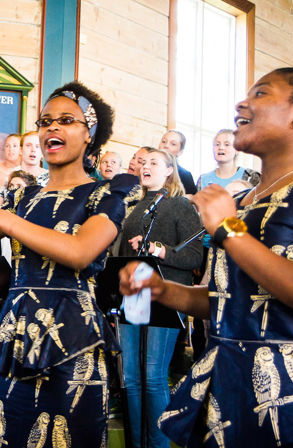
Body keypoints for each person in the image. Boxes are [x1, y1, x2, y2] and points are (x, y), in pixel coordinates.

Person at [120, 59, 293, 447]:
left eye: (260, 94)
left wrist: (228, 229)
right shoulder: (242, 201)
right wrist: (162, 290)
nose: (241, 104)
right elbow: (232, 299)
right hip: (229, 385)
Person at [0, 81, 129, 447]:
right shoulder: (22, 196)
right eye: (45, 121)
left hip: (73, 340)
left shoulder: (106, 193)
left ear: (90, 134)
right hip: (17, 335)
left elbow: (80, 252)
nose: (52, 127)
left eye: (66, 120)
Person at [119, 148, 203, 448]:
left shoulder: (180, 205)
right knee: (131, 376)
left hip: (167, 293)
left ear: (169, 171)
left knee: (153, 375)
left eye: (154, 162)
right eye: (143, 162)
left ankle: (158, 445)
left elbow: (194, 255)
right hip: (133, 297)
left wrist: (158, 249)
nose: (146, 166)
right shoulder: (135, 208)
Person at [159, 130, 196, 194]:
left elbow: (191, 197)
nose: (166, 146)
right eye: (164, 141)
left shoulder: (185, 175)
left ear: (180, 152)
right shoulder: (147, 168)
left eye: (173, 144)